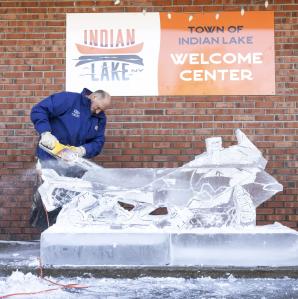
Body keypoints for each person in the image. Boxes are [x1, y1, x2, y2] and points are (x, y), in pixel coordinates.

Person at [29, 88, 111, 230]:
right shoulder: (69, 100)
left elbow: (98, 142)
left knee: (71, 205)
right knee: (49, 204)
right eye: (97, 107)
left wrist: (82, 150)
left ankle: (67, 242)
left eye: (101, 110)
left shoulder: (100, 118)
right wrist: (45, 132)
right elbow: (39, 110)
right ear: (93, 96)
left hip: (73, 167)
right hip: (49, 161)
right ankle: (49, 243)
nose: (98, 112)